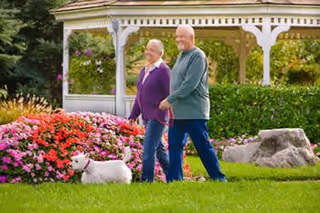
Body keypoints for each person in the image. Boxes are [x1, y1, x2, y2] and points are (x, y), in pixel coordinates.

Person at [159, 25, 227, 182]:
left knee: (202, 146)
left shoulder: (198, 56)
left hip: (194, 112)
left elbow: (190, 84)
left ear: (192, 37)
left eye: (182, 36)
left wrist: (170, 100)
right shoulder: (182, 55)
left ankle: (219, 178)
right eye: (177, 36)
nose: (178, 39)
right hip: (178, 112)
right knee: (175, 146)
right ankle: (174, 180)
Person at [128, 39, 170, 182]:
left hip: (157, 118)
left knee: (148, 149)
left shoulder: (164, 71)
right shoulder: (144, 70)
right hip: (146, 116)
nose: (148, 52)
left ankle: (146, 181)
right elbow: (140, 95)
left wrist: (162, 113)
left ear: (160, 53)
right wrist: (133, 115)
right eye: (147, 49)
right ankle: (174, 177)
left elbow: (170, 95)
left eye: (152, 50)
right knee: (159, 150)